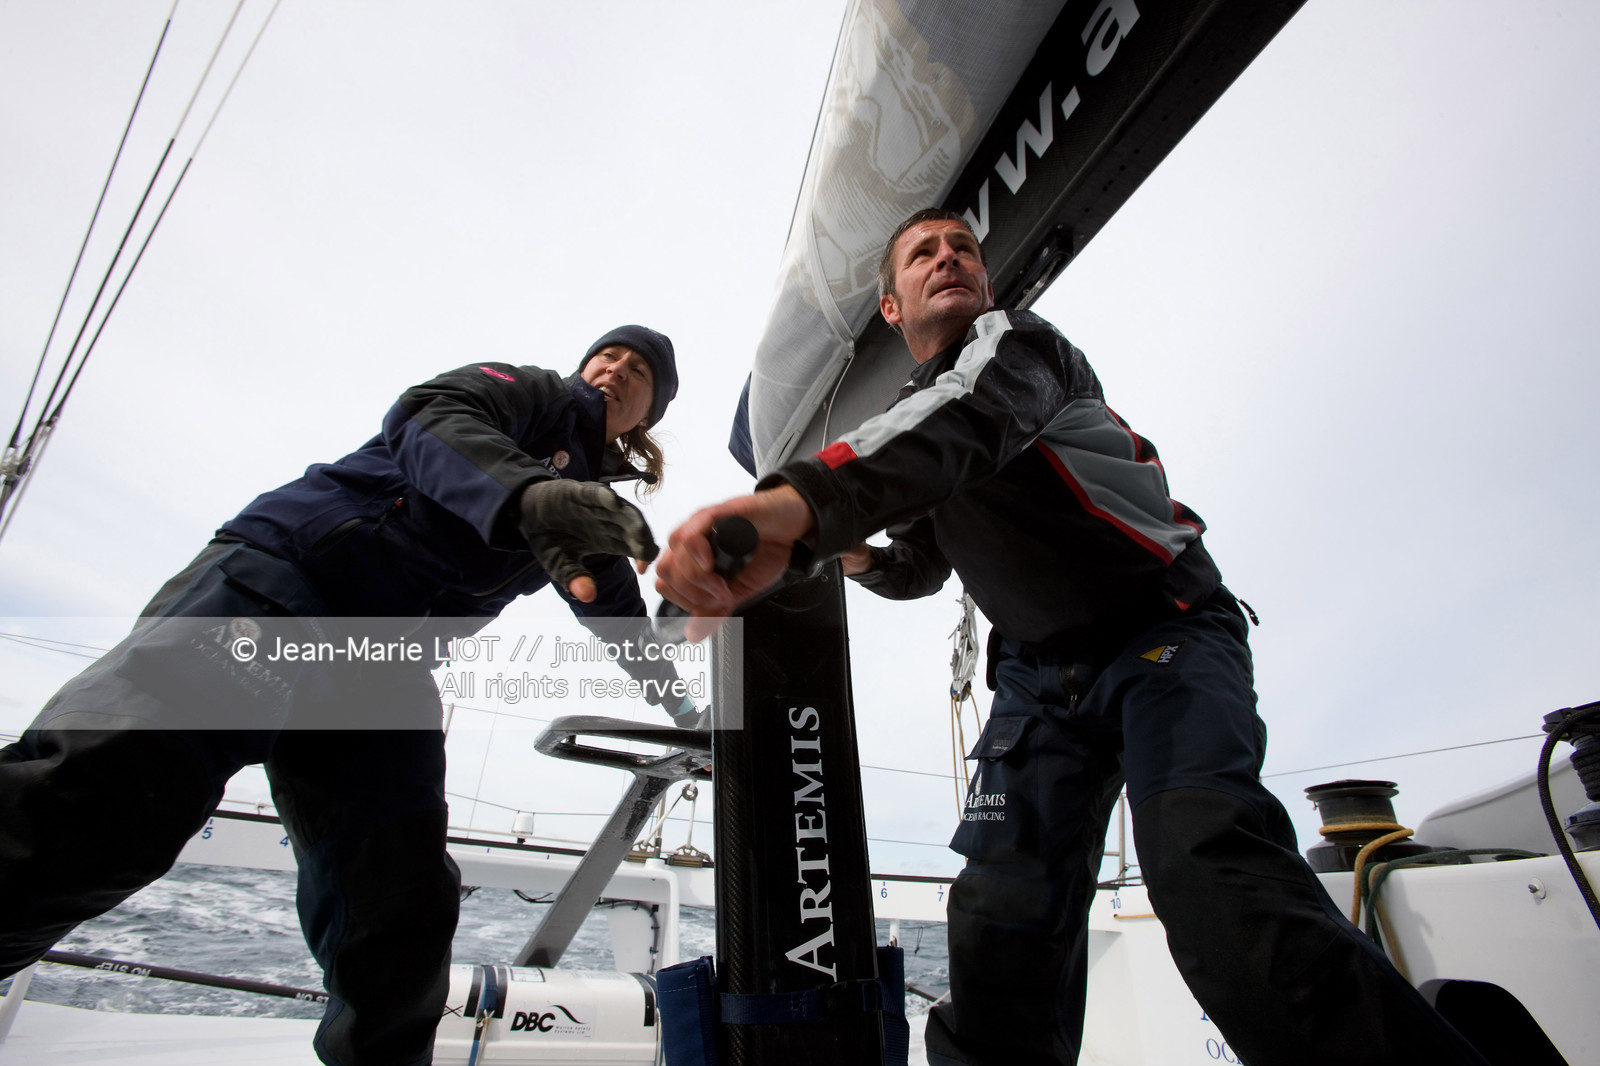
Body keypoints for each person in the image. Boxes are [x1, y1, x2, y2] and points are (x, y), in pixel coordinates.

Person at [654, 211, 1490, 1066]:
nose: (950, 258)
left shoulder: (1020, 353)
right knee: (997, 926)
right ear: (891, 309)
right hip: (1035, 683)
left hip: (1161, 635)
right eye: (924, 253)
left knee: (1214, 879)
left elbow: (964, 421)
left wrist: (793, 508)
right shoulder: (914, 418)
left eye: (965, 249)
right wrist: (846, 549)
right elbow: (922, 567)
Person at [0, 324, 699, 1066]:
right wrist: (527, 495)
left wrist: (680, 706)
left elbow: (615, 610)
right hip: (286, 583)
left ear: (647, 417)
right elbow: (429, 417)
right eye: (609, 355)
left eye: (640, 373)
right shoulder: (524, 392)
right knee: (103, 805)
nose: (617, 370)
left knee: (397, 909)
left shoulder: (586, 506)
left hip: (384, 664)